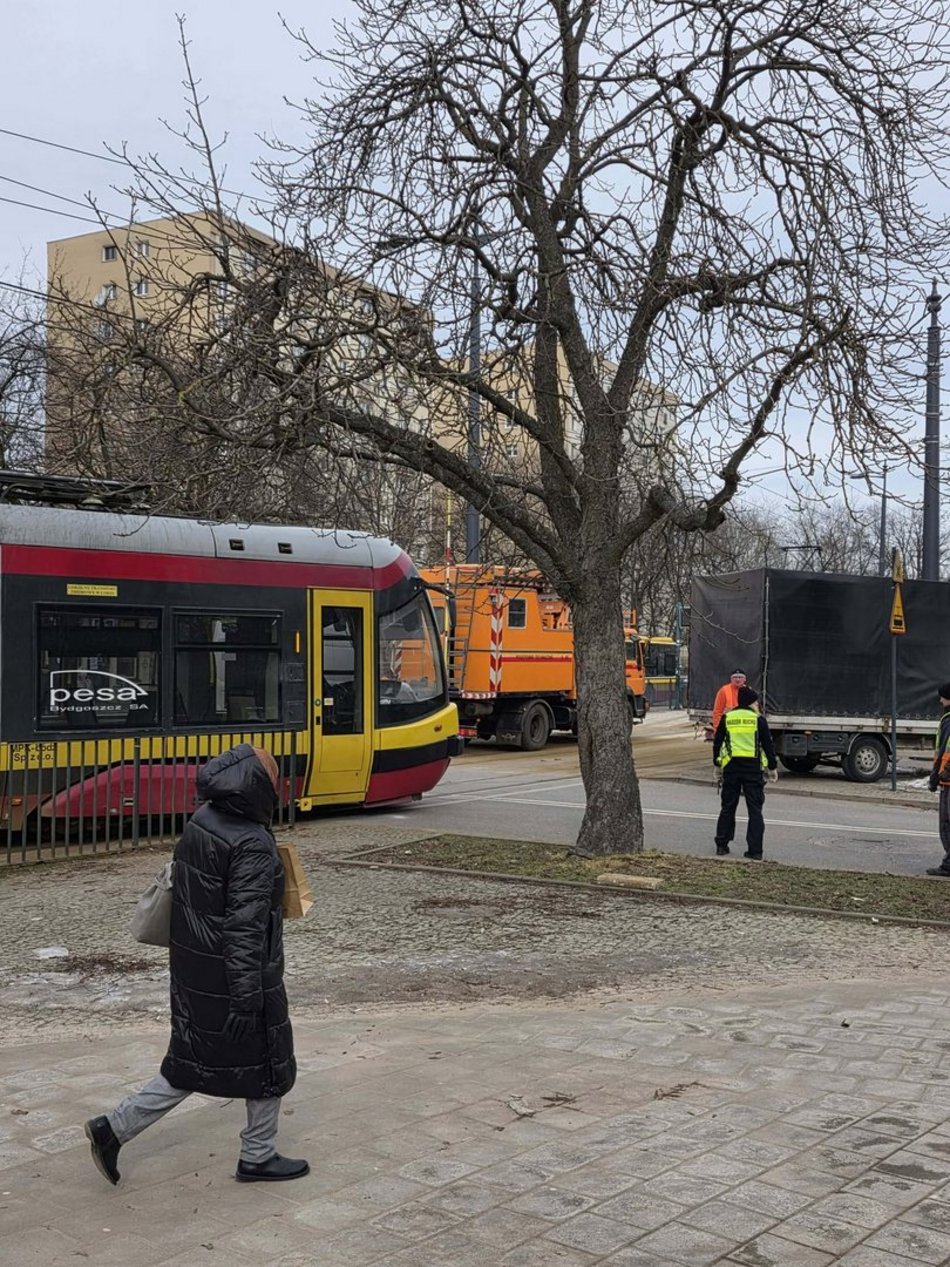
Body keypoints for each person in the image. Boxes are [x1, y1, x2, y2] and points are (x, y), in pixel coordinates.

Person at [84, 744, 307, 1185]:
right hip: (239, 978)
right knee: (267, 1062)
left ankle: (115, 1127)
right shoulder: (253, 843)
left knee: (191, 1063)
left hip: (195, 969)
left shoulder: (202, 821)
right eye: (275, 781)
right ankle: (257, 1155)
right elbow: (244, 927)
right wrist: (247, 998)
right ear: (258, 786)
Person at [713, 685, 777, 859]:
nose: (757, 704)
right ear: (751, 702)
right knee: (755, 811)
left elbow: (718, 743)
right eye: (756, 701)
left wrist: (717, 765)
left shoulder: (728, 718)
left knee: (727, 808)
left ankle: (721, 845)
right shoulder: (758, 720)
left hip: (732, 769)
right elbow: (768, 745)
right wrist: (772, 767)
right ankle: (755, 851)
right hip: (753, 771)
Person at [927, 684, 950, 877]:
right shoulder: (947, 719)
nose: (940, 701)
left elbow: (945, 751)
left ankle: (949, 865)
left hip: (948, 779)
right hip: (946, 779)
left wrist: (939, 775)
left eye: (943, 697)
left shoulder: (949, 720)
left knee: (947, 823)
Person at [711, 670, 747, 735]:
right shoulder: (724, 691)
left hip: (744, 730)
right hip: (728, 729)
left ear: (745, 679)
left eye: (740, 677)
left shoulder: (749, 692)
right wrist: (718, 730)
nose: (737, 679)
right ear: (731, 679)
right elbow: (717, 712)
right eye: (735, 677)